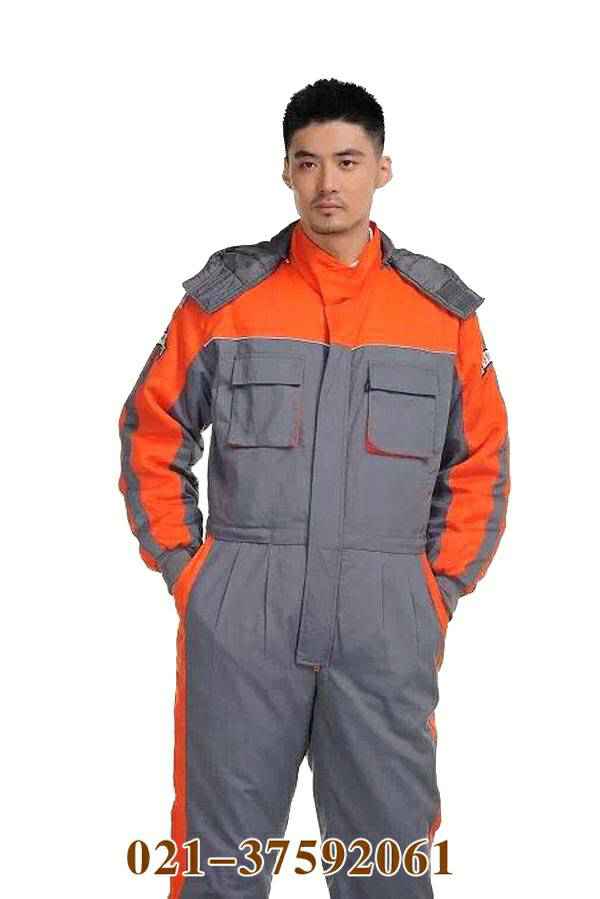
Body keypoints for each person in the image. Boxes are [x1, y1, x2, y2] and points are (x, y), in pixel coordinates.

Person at [118, 77, 510, 899]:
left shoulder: (440, 314)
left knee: (385, 865)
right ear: (287, 172)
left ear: (383, 169)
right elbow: (153, 430)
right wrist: (192, 573)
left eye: (348, 160)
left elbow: (480, 462)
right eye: (308, 162)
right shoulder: (225, 301)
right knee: (220, 862)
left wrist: (434, 591)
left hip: (386, 619)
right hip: (242, 616)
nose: (328, 181)